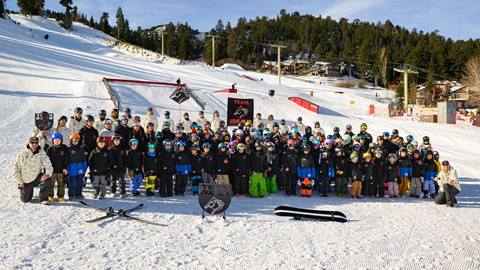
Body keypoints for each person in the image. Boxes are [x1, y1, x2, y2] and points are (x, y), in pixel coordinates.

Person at [14, 136, 53, 203]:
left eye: (36, 143)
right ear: (28, 143)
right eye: (32, 142)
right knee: (25, 200)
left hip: (36, 178)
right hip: (26, 180)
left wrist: (47, 174)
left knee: (47, 179)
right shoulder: (22, 154)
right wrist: (20, 181)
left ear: (38, 143)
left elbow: (48, 164)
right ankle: (23, 190)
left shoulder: (41, 153)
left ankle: (43, 199)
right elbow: (16, 169)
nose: (34, 144)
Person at [46, 133, 69, 203]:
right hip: (52, 170)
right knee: (51, 184)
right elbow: (47, 160)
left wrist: (65, 167)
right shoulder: (50, 149)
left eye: (58, 140)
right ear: (53, 141)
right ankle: (50, 196)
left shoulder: (64, 148)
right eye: (55, 140)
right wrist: (48, 169)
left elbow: (66, 158)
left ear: (61, 140)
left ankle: (61, 196)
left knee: (61, 184)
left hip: (61, 170)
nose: (57, 141)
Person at [67, 134, 88, 200]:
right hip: (72, 168)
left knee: (80, 182)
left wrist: (84, 168)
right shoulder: (68, 149)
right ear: (71, 141)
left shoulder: (81, 149)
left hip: (80, 168)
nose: (75, 141)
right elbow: (66, 160)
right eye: (74, 140)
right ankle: (71, 195)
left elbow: (84, 159)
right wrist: (67, 168)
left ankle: (78, 194)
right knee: (72, 183)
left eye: (77, 140)